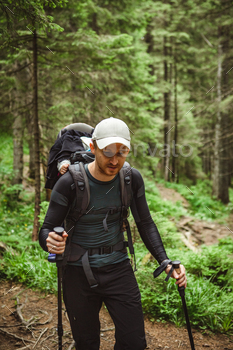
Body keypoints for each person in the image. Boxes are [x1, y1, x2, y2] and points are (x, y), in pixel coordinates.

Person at [39, 117, 187, 350]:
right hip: (77, 274)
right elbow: (46, 229)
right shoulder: (68, 182)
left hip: (118, 269)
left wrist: (165, 260)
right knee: (86, 343)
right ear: (93, 147)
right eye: (107, 151)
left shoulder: (131, 179)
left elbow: (145, 223)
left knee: (133, 342)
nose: (114, 160)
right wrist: (50, 241)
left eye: (122, 152)